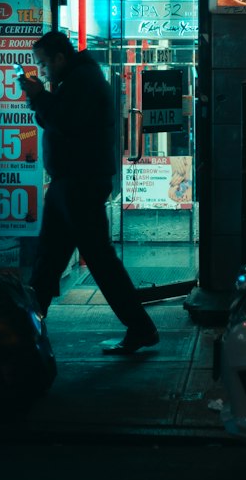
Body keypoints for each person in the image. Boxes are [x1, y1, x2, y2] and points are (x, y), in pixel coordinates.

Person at [19, 30, 159, 356]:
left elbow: (65, 122)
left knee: (95, 260)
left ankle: (141, 327)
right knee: (49, 260)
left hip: (79, 184)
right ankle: (29, 330)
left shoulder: (82, 80)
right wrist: (41, 97)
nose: (42, 71)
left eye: (43, 64)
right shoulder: (75, 80)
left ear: (59, 58)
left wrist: (40, 96)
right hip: (69, 184)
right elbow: (56, 121)